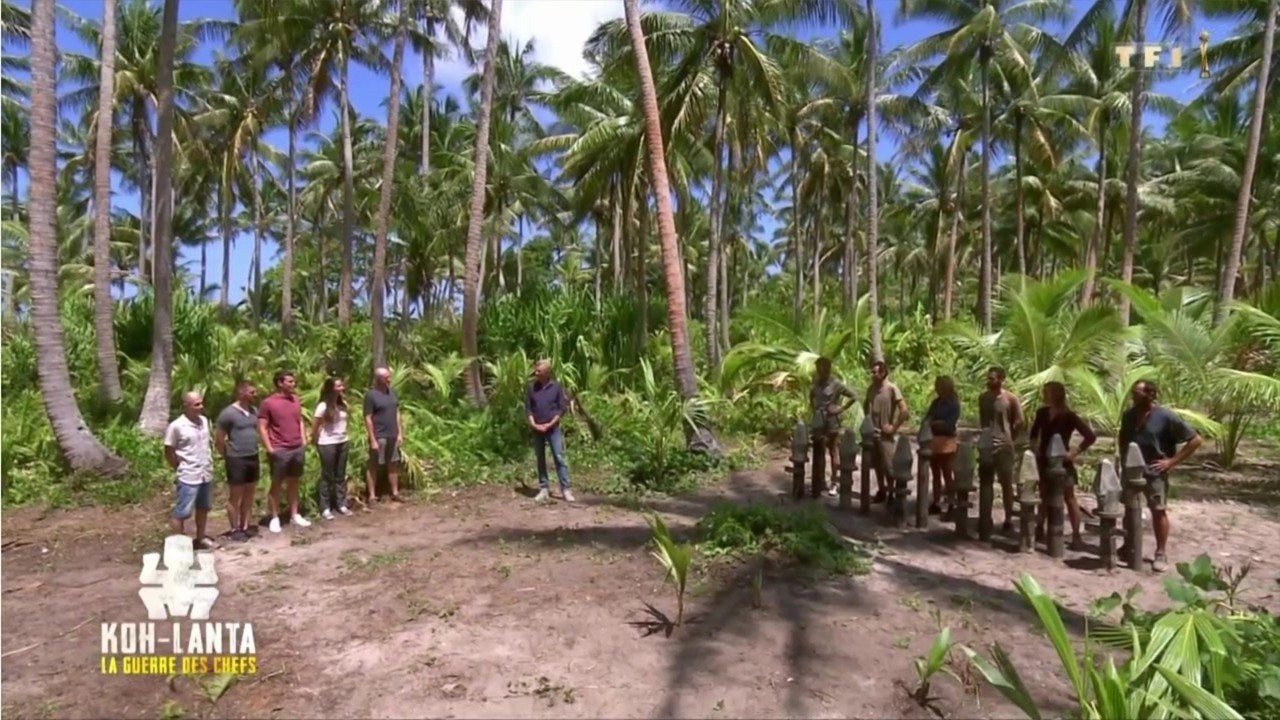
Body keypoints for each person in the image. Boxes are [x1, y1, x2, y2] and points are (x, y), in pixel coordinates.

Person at [1117, 379, 1202, 572]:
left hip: (1154, 472)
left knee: (1158, 510)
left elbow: (1195, 440)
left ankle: (1160, 552)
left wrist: (1171, 462)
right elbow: (1123, 439)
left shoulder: (1165, 416)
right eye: (1133, 393)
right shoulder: (1128, 416)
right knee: (1130, 510)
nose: (1133, 396)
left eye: (1138, 393)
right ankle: (1128, 545)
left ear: (1150, 395)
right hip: (1131, 470)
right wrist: (1122, 461)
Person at [1028, 381, 1096, 549]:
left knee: (1069, 497)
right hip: (1044, 459)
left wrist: (1074, 452)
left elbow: (1089, 436)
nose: (1044, 396)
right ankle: (1039, 527)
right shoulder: (1042, 413)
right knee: (1044, 494)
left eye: (1047, 393)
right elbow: (1034, 434)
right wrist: (1034, 448)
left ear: (1056, 394)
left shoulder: (1068, 415)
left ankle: (1076, 535)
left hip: (1062, 460)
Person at [257, 370, 310, 532]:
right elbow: (262, 426)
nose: (293, 384)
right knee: (277, 484)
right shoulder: (268, 403)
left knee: (294, 481)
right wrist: (270, 448)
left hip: (296, 447)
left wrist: (303, 439)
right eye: (290, 382)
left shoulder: (295, 399)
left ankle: (295, 514)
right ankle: (274, 517)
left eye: (293, 381)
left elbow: (299, 420)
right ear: (280, 383)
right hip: (280, 449)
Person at [164, 392, 217, 550]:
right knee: (182, 511)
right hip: (189, 475)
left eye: (201, 403)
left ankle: (200, 538)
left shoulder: (204, 421)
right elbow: (168, 450)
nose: (201, 407)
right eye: (196, 404)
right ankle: (180, 544)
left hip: (205, 472)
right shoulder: (176, 426)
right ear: (185, 406)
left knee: (203, 508)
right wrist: (178, 466)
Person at [978, 366, 1024, 533]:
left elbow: (1019, 421)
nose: (989, 381)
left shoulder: (1010, 399)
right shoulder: (983, 398)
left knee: (1006, 484)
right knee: (986, 482)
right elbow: (982, 420)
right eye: (988, 378)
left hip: (1004, 445)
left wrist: (1010, 437)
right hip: (987, 444)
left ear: (1001, 379)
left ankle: (1008, 518)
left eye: (993, 378)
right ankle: (985, 517)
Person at [215, 381, 260, 542]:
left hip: (253, 456)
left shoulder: (254, 411)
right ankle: (234, 528)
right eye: (252, 392)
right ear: (242, 393)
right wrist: (227, 455)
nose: (255, 395)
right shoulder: (227, 414)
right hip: (236, 459)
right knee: (236, 495)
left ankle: (245, 526)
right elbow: (219, 439)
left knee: (249, 493)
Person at [526, 359, 574, 503]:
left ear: (547, 373)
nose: (536, 373)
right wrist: (534, 424)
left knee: (559, 458)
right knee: (540, 458)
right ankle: (544, 488)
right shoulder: (531, 388)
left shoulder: (556, 387)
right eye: (536, 370)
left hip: (552, 429)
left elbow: (561, 408)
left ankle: (565, 489)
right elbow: (528, 408)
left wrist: (550, 424)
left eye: (539, 371)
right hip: (537, 429)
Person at [810, 357, 858, 497]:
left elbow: (853, 396)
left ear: (828, 368)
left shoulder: (835, 383)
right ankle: (820, 481)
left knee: (833, 451)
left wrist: (840, 409)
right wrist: (814, 410)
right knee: (819, 452)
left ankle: (834, 482)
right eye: (818, 368)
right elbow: (811, 396)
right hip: (819, 421)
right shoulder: (817, 382)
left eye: (822, 368)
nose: (820, 371)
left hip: (832, 421)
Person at [863, 359, 909, 503]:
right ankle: (881, 490)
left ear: (882, 373)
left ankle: (891, 492)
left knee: (889, 466)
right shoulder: (871, 389)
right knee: (877, 465)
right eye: (872, 372)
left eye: (875, 372)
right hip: (873, 433)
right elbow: (866, 404)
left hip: (886, 435)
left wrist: (893, 427)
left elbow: (904, 410)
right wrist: (867, 420)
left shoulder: (891, 389)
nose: (872, 374)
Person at [312, 376, 352, 520]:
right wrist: (314, 441)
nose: (342, 388)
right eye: (338, 386)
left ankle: (341, 503)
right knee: (327, 476)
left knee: (340, 475)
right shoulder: (323, 406)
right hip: (327, 443)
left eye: (342, 386)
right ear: (331, 388)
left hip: (343, 441)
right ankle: (325, 507)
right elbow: (316, 425)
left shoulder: (343, 404)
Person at [364, 367, 404, 503]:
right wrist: (372, 439)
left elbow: (397, 413)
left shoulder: (392, 393)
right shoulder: (371, 395)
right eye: (386, 377)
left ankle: (395, 492)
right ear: (379, 379)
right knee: (373, 466)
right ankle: (372, 496)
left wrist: (400, 433)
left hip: (392, 434)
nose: (389, 379)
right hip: (379, 435)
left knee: (393, 464)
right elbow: (368, 418)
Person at [923, 376, 961, 515]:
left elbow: (949, 424)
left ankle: (951, 501)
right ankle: (936, 501)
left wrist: (937, 423)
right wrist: (932, 424)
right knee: (935, 473)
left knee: (947, 473)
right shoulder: (936, 403)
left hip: (947, 441)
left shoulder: (953, 404)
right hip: (934, 440)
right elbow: (927, 418)